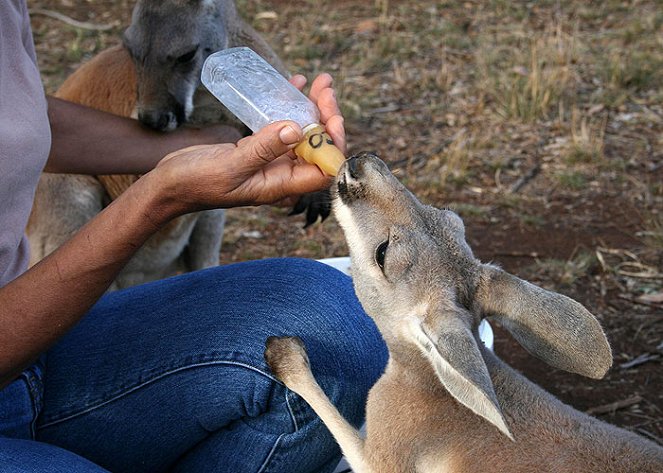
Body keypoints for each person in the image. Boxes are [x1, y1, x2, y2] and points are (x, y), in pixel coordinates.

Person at [0, 1, 387, 471]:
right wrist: (158, 195)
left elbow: (23, 123)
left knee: (340, 333)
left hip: (45, 353)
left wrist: (218, 147)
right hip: (24, 330)